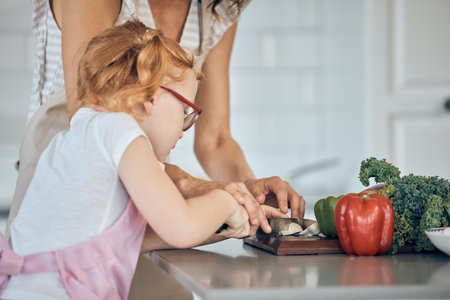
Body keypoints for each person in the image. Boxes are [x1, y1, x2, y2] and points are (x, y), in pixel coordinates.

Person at [0, 20, 284, 299]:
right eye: (186, 112)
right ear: (150, 96)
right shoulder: (120, 131)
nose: (185, 129)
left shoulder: (76, 137)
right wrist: (225, 203)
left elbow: (131, 239)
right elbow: (180, 227)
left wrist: (230, 224)